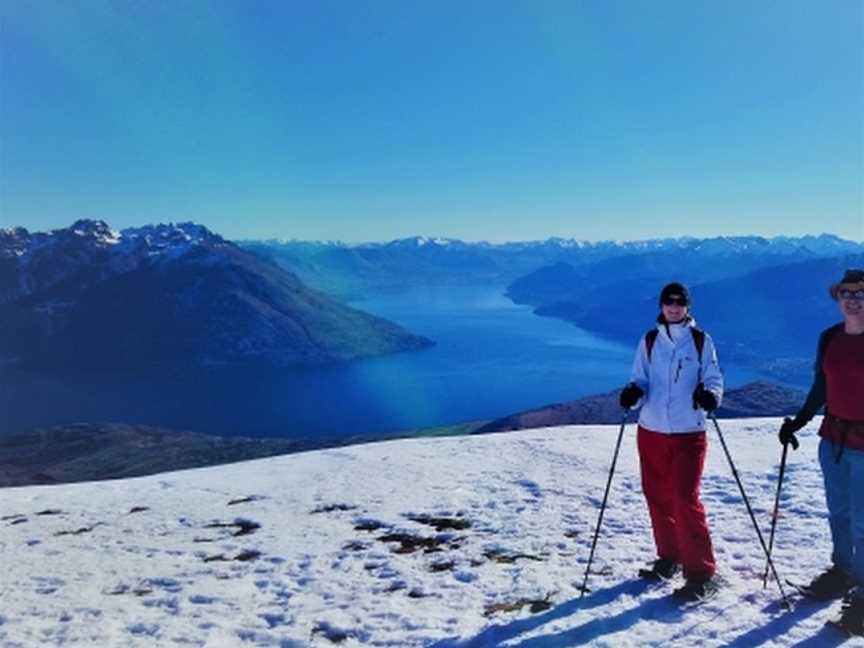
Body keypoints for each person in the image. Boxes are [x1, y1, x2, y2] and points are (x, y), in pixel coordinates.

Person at [619, 282, 724, 601]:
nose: (674, 307)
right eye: (669, 301)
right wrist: (634, 394)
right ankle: (670, 556)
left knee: (684, 498)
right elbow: (640, 378)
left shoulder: (700, 340)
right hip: (651, 429)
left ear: (688, 306)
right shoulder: (650, 340)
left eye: (680, 302)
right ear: (662, 305)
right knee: (657, 495)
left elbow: (714, 378)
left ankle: (701, 572)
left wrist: (711, 397)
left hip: (688, 431)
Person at [778, 268, 864, 636]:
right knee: (839, 514)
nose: (853, 298)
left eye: (861, 292)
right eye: (846, 292)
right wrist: (797, 423)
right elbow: (820, 388)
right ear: (837, 297)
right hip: (833, 441)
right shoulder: (829, 337)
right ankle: (843, 571)